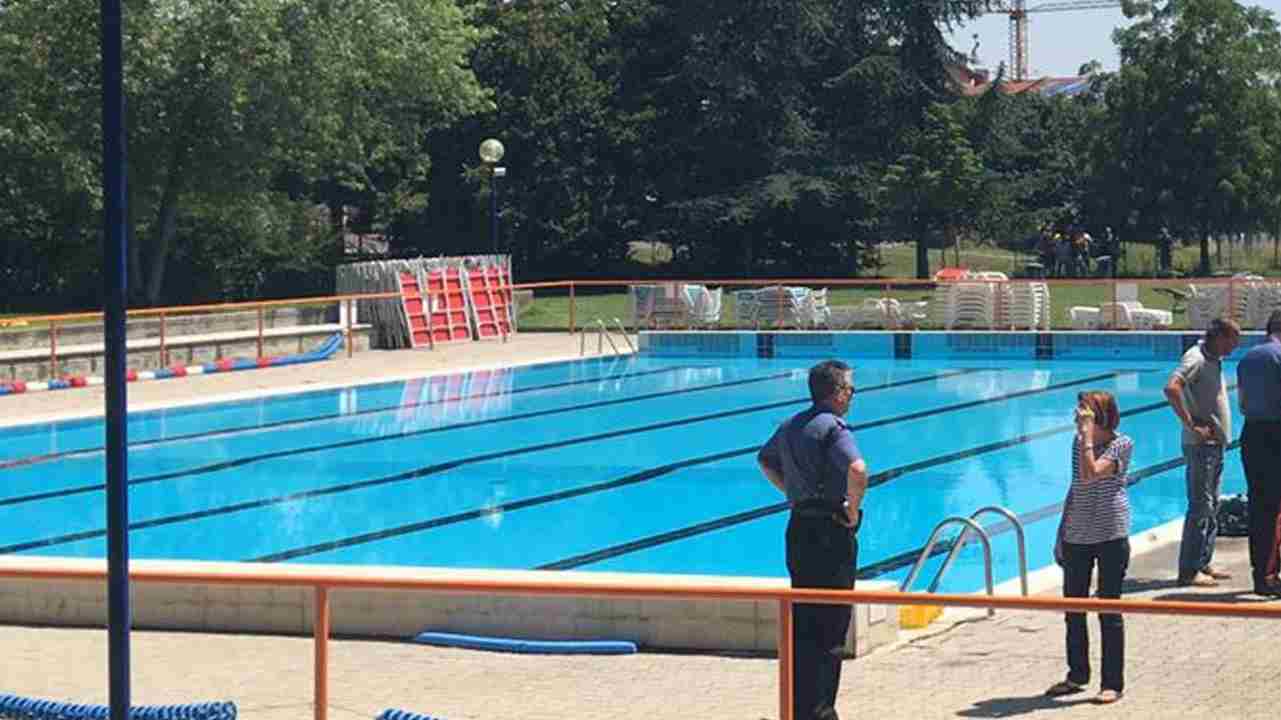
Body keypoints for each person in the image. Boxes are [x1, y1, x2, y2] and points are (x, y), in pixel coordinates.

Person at [758, 360, 868, 720]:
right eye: (850, 390)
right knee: (831, 627)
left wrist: (791, 492)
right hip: (830, 533)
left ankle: (798, 709)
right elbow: (857, 469)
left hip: (799, 528)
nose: (852, 396)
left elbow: (764, 460)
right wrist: (853, 509)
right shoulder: (833, 428)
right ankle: (822, 713)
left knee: (803, 624)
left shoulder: (792, 425)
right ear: (836, 393)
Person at [1047, 391, 1133, 705]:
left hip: (1110, 534)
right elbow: (1076, 485)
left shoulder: (1122, 444)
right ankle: (1077, 674)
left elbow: (1093, 472)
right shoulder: (1077, 443)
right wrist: (1061, 530)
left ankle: (1112, 683)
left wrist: (1085, 437)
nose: (1076, 419)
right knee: (1074, 609)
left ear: (1100, 416)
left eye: (1082, 413)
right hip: (1077, 535)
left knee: (1109, 610)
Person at [1165, 318, 1240, 587]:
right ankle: (1188, 571)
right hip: (1200, 447)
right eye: (1232, 341)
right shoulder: (1195, 358)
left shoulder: (1212, 358)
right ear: (1218, 336)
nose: (1234, 347)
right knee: (1200, 506)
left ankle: (1203, 562)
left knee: (1212, 505)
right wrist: (1191, 424)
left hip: (1214, 445)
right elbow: (1172, 387)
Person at [1236, 310, 1281, 596]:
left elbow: (1242, 403)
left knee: (1261, 507)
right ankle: (1271, 575)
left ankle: (1261, 575)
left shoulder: (1248, 358)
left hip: (1253, 434)